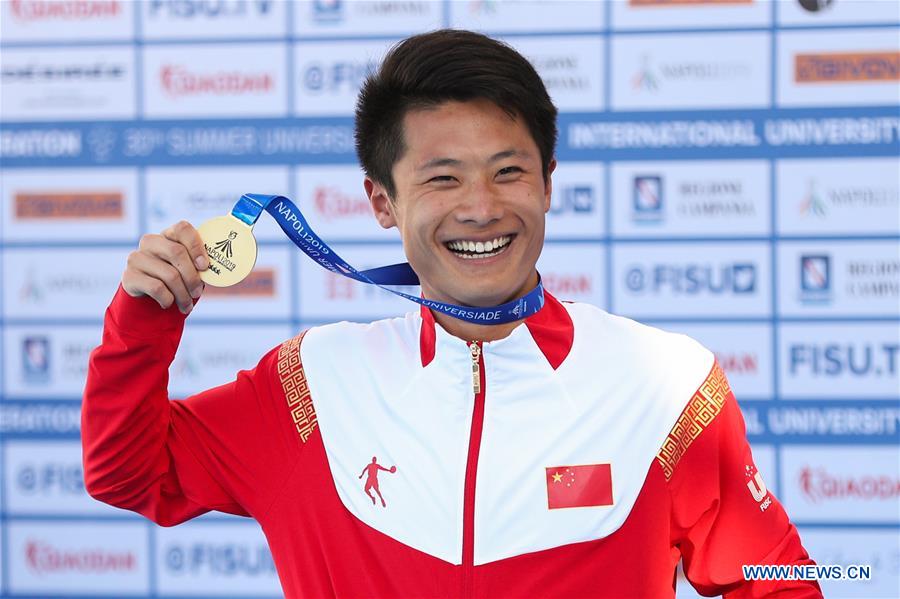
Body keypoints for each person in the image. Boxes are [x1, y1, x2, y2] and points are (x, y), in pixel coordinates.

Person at [82, 30, 822, 598]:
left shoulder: (665, 383)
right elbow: (126, 469)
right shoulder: (311, 386)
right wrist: (146, 317)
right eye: (443, 178)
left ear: (548, 182)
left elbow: (779, 574)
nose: (481, 207)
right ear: (382, 202)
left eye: (509, 171)